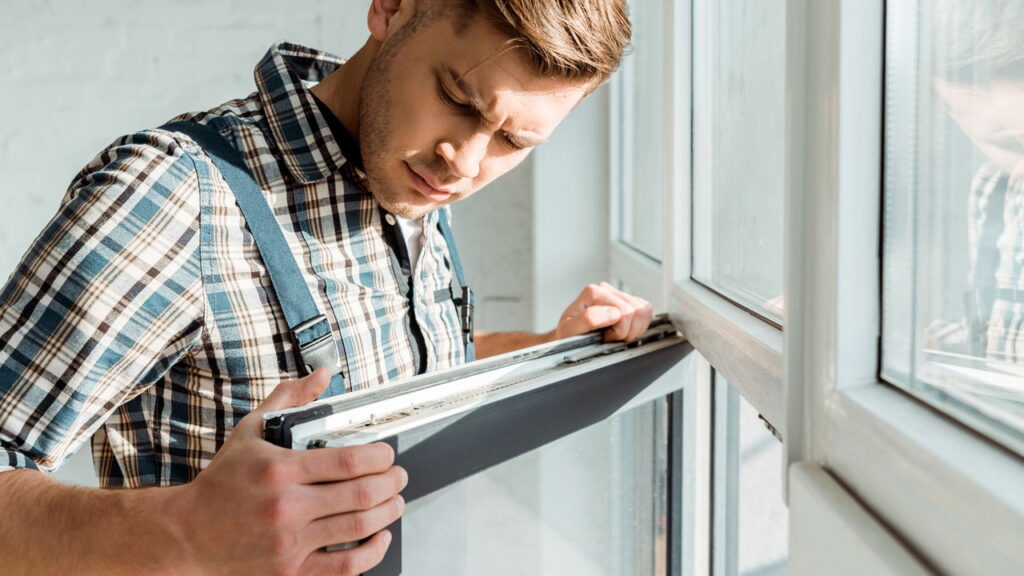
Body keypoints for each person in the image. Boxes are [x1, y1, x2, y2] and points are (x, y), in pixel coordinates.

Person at [0, 0, 650, 574]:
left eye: (513, 140)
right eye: (458, 97)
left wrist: (545, 349)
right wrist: (186, 535)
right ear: (391, 8)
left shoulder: (418, 182)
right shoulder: (174, 197)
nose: (469, 161)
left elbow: (393, 372)